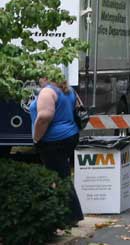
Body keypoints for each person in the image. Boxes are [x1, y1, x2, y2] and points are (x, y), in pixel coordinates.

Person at [30, 76, 84, 226]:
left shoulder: (47, 92)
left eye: (38, 76)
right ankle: (62, 212)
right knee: (59, 174)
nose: (37, 79)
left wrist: (36, 137)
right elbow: (79, 108)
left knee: (61, 176)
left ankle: (72, 215)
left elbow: (44, 117)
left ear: (45, 77)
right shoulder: (68, 90)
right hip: (70, 135)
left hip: (53, 140)